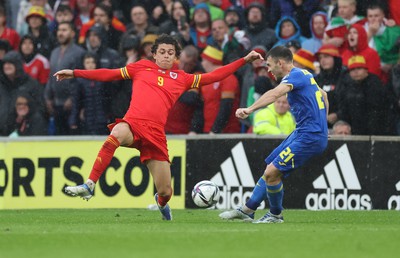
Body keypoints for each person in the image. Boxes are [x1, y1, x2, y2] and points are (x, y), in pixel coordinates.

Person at [55, 34, 262, 221]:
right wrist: (75, 73)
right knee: (116, 133)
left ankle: (162, 204)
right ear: (154, 54)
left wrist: (244, 60)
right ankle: (89, 185)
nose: (165, 56)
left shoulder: (182, 78)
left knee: (165, 190)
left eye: (170, 53)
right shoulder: (140, 67)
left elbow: (214, 76)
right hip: (133, 123)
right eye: (161, 52)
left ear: (175, 57)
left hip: (155, 134)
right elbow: (109, 74)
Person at [219, 45, 328, 223]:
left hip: (310, 135)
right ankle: (248, 210)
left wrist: (250, 109)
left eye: (269, 65)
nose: (268, 70)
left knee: (271, 173)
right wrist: (324, 127)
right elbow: (323, 95)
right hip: (304, 132)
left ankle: (276, 215)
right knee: (270, 166)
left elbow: (275, 94)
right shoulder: (306, 74)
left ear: (280, 62)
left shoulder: (295, 75)